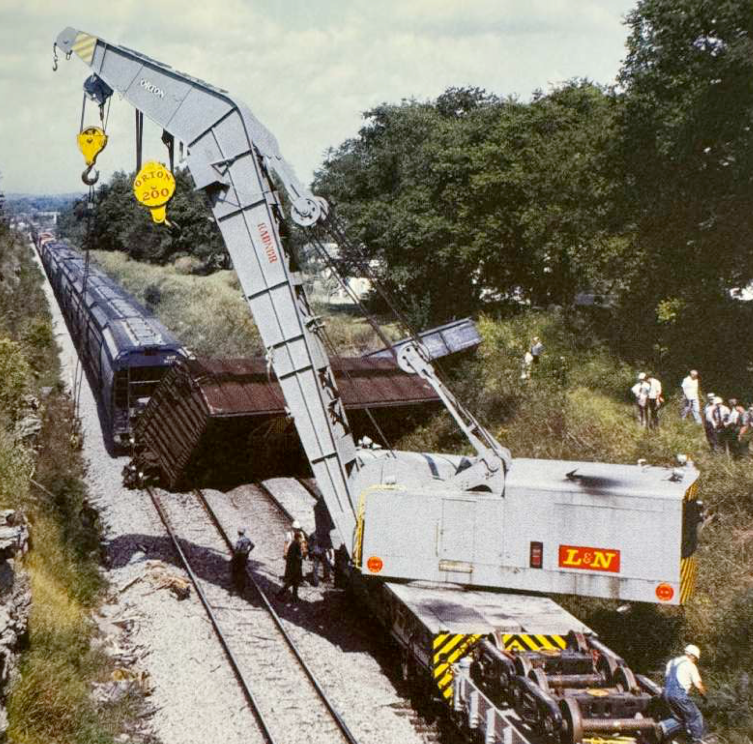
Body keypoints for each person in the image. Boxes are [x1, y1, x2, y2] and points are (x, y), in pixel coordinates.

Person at [663, 644, 707, 744]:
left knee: (679, 718)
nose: (695, 661)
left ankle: (663, 727)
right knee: (695, 716)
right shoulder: (690, 665)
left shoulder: (671, 662)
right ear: (692, 656)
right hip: (678, 695)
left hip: (666, 694)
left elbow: (667, 678)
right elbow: (698, 684)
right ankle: (697, 740)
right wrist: (704, 696)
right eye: (695, 658)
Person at [278, 529, 306, 602]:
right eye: (301, 539)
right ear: (298, 538)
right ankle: (280, 594)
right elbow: (295, 556)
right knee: (291, 583)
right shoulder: (296, 544)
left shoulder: (295, 544)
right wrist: (301, 557)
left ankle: (294, 597)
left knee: (295, 583)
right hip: (294, 568)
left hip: (294, 567)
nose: (301, 540)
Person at [230, 528, 254, 593]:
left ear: (238, 533)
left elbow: (237, 549)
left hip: (239, 556)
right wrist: (248, 551)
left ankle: (237, 585)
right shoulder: (247, 539)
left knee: (236, 570)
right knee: (243, 570)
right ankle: (243, 585)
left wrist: (234, 557)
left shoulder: (239, 540)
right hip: (245, 556)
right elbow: (252, 545)